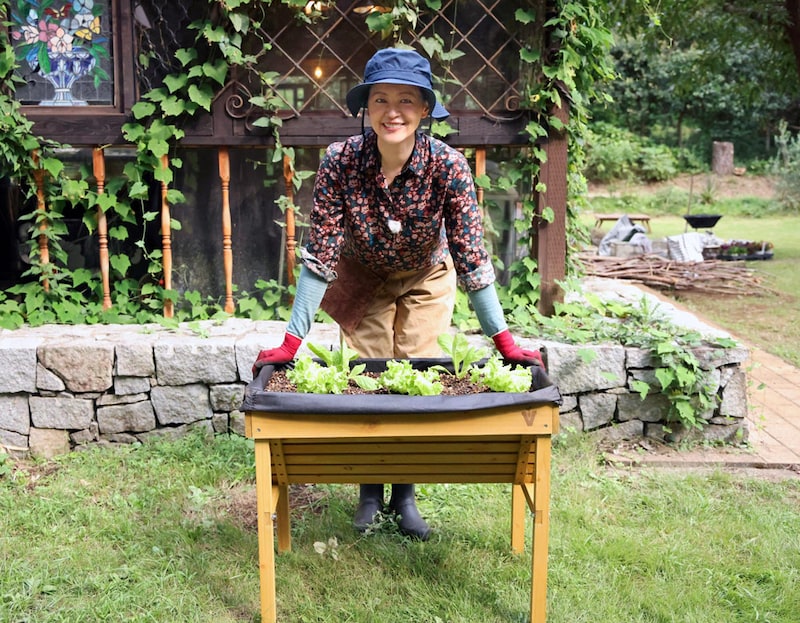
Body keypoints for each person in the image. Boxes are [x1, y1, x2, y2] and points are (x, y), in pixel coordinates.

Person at [253, 47, 543, 541]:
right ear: (365, 107)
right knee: (367, 379)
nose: (394, 112)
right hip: (363, 275)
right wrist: (291, 341)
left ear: (425, 110)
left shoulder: (448, 167)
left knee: (414, 374)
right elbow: (321, 253)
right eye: (381, 99)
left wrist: (503, 339)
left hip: (427, 275)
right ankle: (370, 493)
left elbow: (472, 254)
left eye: (407, 100)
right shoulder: (339, 163)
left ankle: (405, 495)